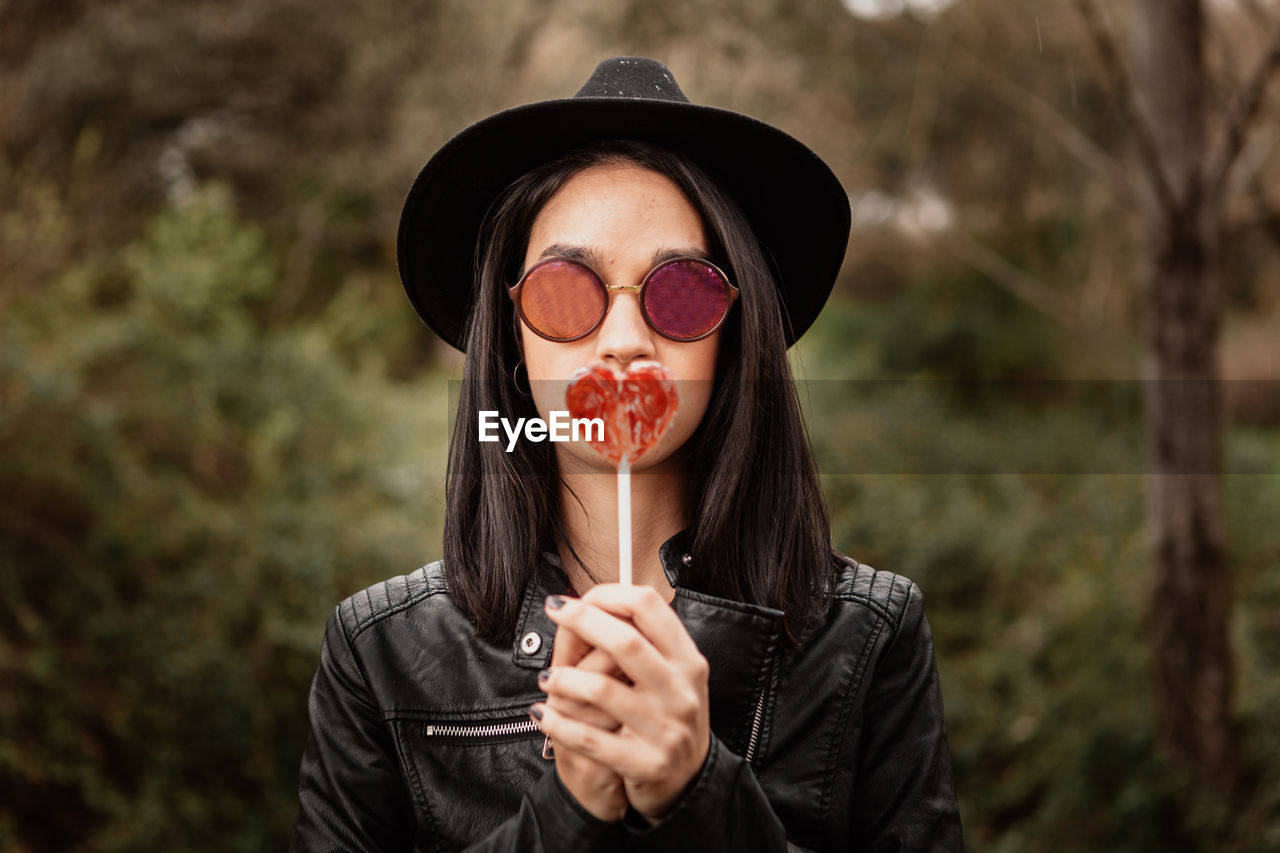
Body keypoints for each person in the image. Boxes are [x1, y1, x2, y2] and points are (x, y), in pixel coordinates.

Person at [291, 56, 964, 852]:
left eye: (680, 292)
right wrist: (567, 811)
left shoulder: (867, 638)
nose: (620, 342)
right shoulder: (381, 654)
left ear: (733, 336)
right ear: (510, 331)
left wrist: (702, 794)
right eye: (565, 292)